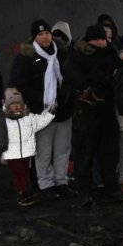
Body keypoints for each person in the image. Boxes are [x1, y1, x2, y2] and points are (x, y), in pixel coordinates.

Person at [11, 19, 76, 199]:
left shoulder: (61, 53)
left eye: (46, 33)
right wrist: (39, 100)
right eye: (40, 34)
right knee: (44, 150)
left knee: (63, 149)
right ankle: (45, 184)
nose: (45, 37)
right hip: (41, 111)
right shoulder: (27, 57)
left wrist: (67, 96)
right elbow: (21, 83)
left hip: (63, 110)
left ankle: (61, 181)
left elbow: (69, 76)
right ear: (34, 37)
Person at [72, 23, 122, 197]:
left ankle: (110, 186)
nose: (100, 43)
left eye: (102, 39)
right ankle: (84, 189)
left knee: (109, 152)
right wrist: (88, 88)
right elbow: (74, 77)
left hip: (106, 109)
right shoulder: (79, 56)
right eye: (97, 39)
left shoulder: (111, 53)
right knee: (85, 152)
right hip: (87, 110)